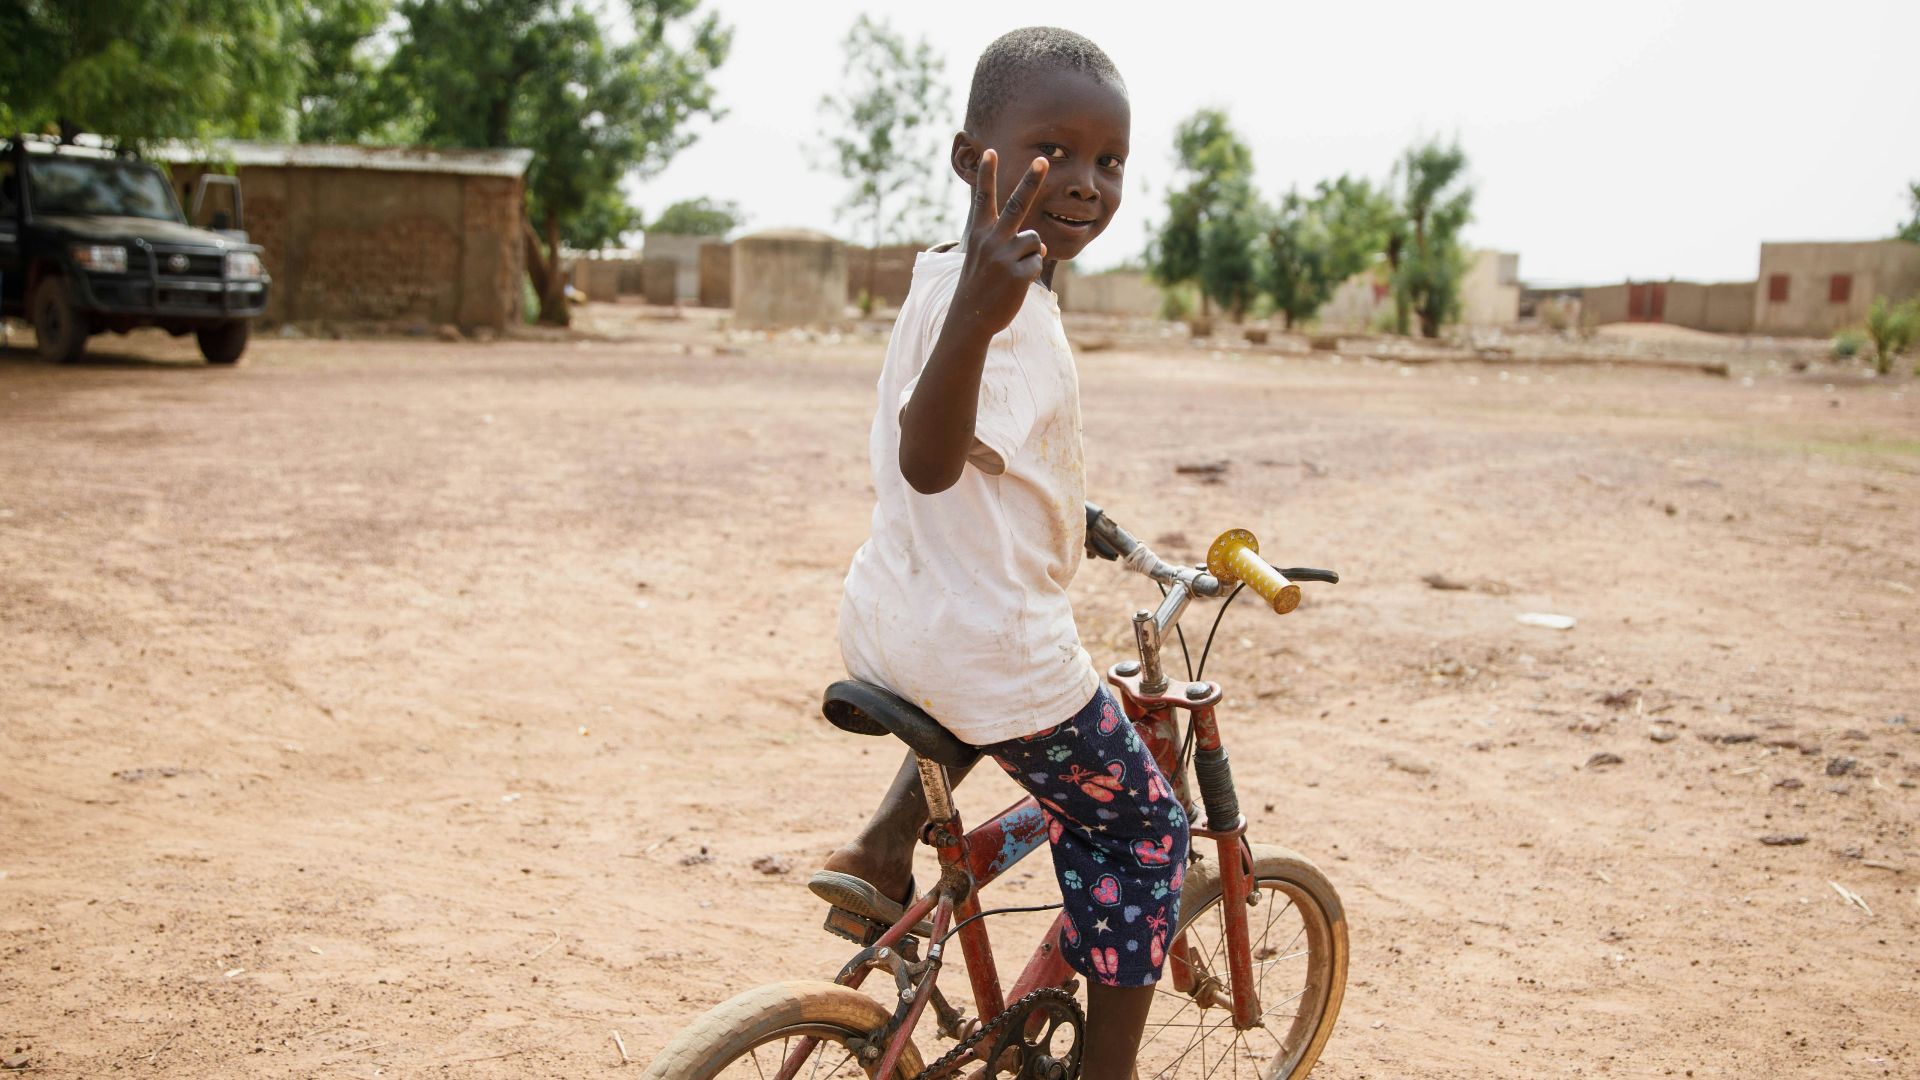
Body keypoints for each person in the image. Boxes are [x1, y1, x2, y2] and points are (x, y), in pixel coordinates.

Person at [810, 26, 1186, 1080]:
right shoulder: (996, 306)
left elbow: (985, 457)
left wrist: (1076, 510)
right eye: (1052, 151)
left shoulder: (946, 274)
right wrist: (983, 320)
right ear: (970, 158)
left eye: (1110, 160)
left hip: (892, 618)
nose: (1085, 181)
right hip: (986, 647)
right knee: (1144, 831)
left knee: (997, 699)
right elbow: (930, 458)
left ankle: (882, 844)